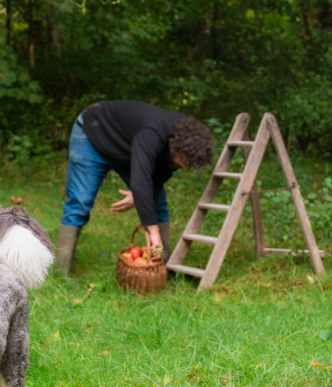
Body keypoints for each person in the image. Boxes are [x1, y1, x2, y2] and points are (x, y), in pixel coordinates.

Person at [54, 100, 215, 274]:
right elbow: (140, 181)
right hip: (93, 135)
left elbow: (159, 174)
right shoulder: (152, 134)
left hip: (127, 149)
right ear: (173, 147)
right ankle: (60, 271)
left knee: (156, 202)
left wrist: (139, 195)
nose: (182, 168)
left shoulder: (186, 139)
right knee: (80, 203)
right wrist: (152, 229)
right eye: (181, 164)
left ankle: (162, 267)